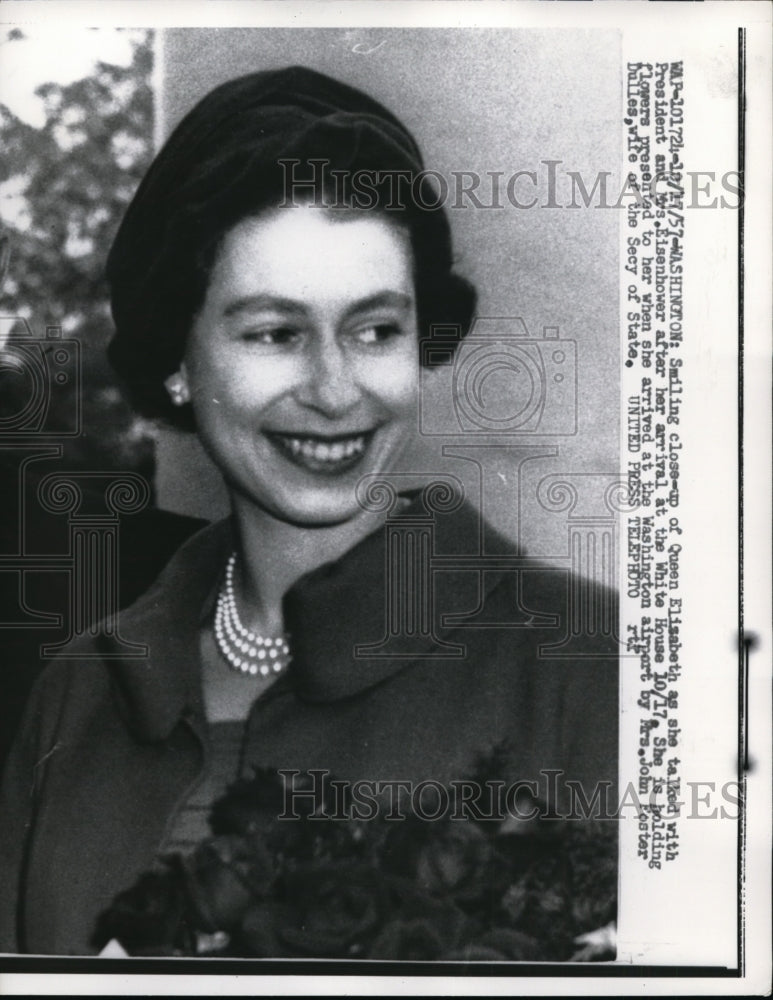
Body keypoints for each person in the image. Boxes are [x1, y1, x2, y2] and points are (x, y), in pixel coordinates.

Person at [0, 66, 618, 957]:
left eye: (375, 330)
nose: (335, 392)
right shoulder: (79, 696)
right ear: (179, 359)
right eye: (274, 334)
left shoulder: (592, 670)